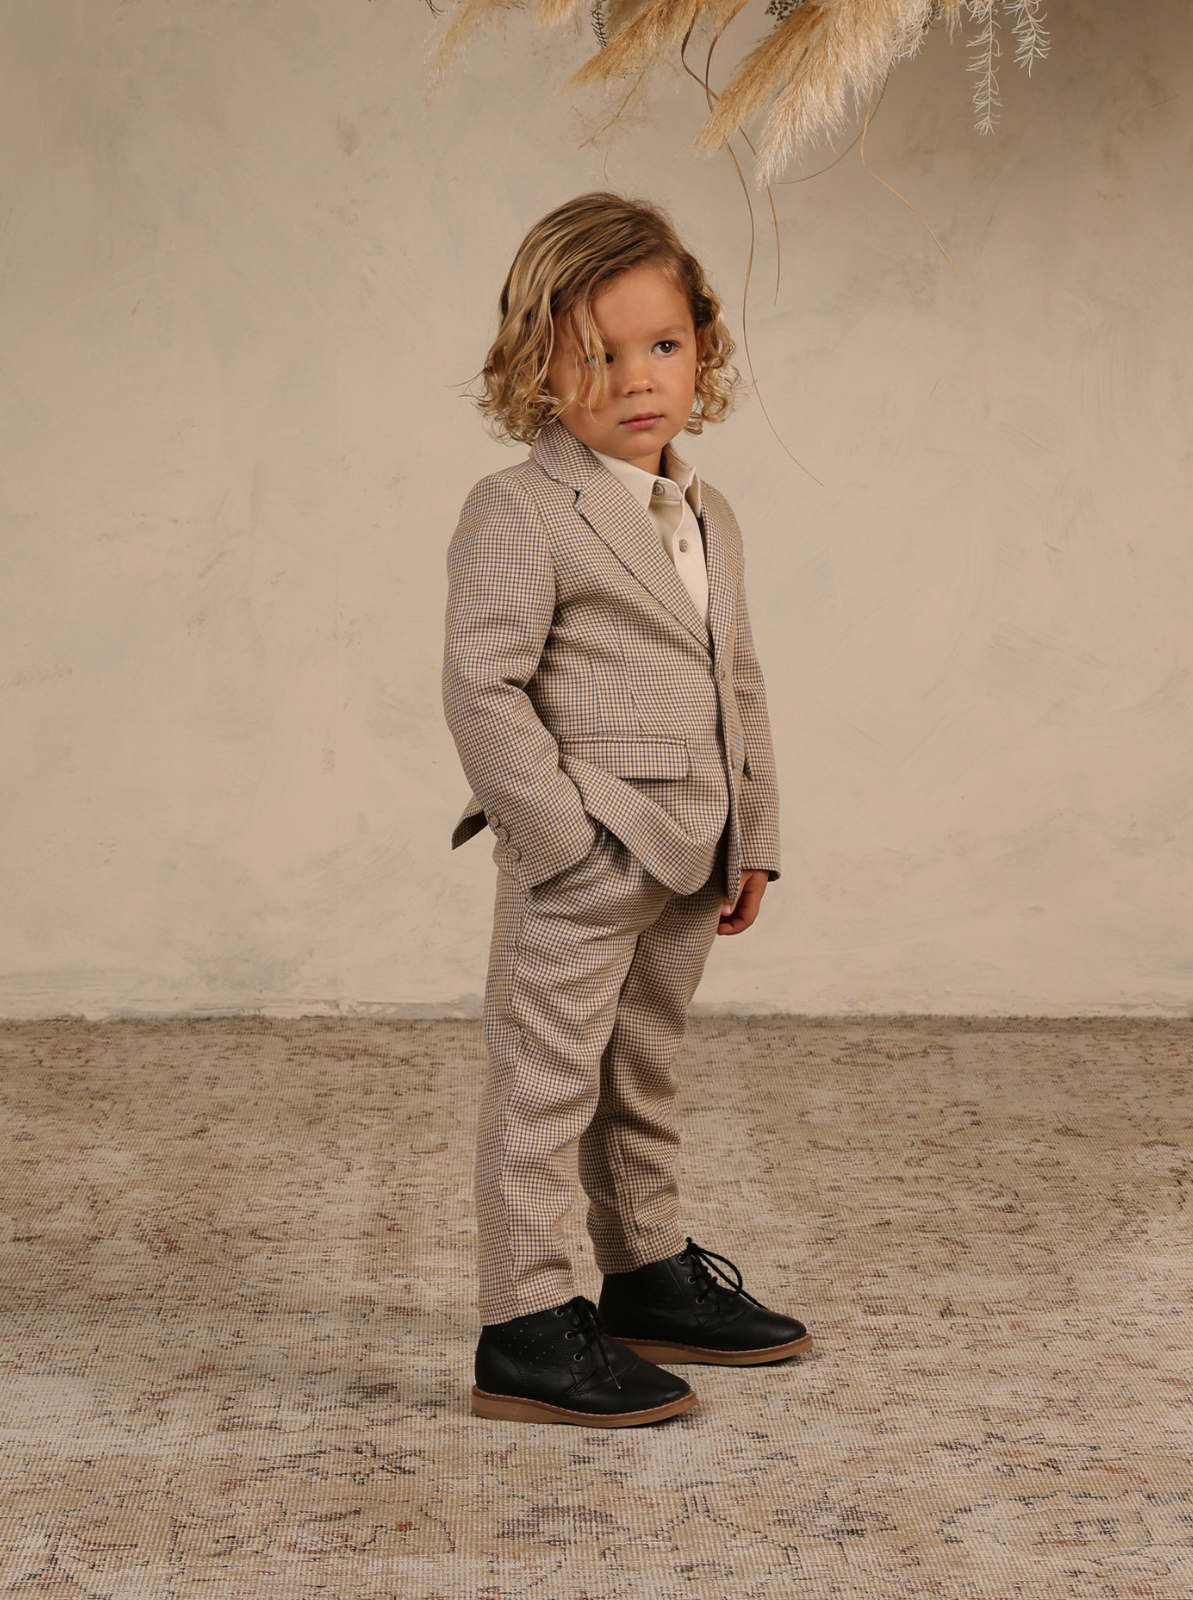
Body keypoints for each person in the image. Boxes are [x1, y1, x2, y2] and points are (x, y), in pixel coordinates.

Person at [442, 191, 810, 1428]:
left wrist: (751, 835)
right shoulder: (521, 511)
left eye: (661, 345)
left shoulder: (706, 513)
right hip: (588, 853)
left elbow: (735, 677)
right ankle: (525, 1321)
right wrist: (559, 846)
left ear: (700, 347)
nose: (633, 379)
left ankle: (643, 1268)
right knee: (545, 1082)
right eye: (594, 353)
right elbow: (481, 687)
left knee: (639, 1070)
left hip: (691, 854)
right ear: (534, 365)